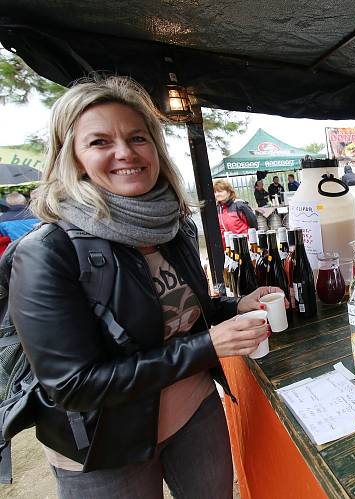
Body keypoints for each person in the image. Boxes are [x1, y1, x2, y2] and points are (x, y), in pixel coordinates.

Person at [9, 75, 276, 497]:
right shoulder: (48, 251)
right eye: (99, 142)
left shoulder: (174, 227)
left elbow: (184, 316)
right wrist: (208, 346)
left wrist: (235, 307)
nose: (125, 153)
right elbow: (73, 385)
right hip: (105, 447)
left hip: (195, 413)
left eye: (137, 137)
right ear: (73, 158)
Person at [0, 191, 39, 256]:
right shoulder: (38, 214)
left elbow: (5, 235)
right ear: (25, 202)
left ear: (8, 204)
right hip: (38, 249)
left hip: (16, 253)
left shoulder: (2, 219)